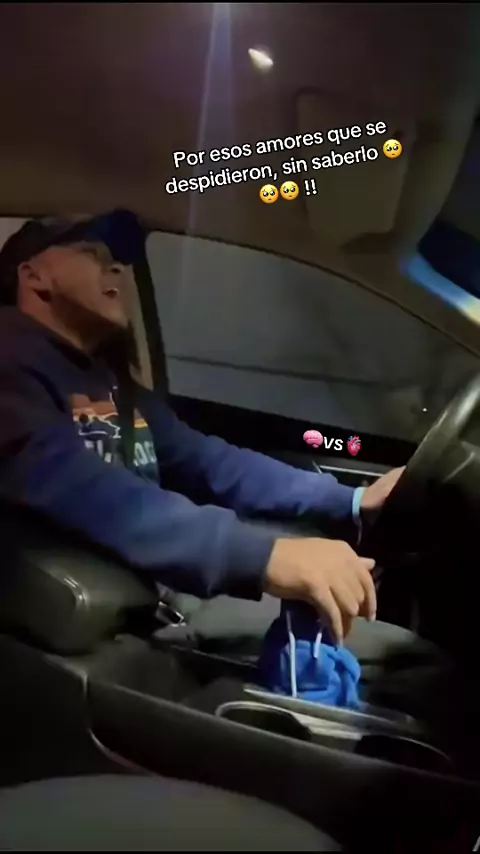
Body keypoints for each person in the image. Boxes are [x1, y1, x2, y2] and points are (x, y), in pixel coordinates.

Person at [0, 213, 404, 658]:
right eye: (90, 254)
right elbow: (75, 485)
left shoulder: (109, 382)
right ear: (34, 276)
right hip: (101, 626)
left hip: (156, 596)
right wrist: (262, 556)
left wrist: (351, 500)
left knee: (390, 644)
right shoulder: (10, 363)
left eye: (115, 259)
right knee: (405, 663)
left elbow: (210, 461)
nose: (115, 268)